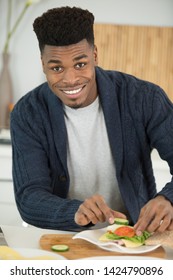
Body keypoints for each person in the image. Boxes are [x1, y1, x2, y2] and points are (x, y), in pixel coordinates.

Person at [10, 6, 173, 233]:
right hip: (61, 240)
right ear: (42, 63)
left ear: (94, 55)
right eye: (56, 67)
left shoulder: (145, 98)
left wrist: (168, 199)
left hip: (133, 239)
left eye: (80, 64)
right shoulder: (27, 113)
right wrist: (73, 212)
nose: (71, 79)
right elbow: (29, 197)